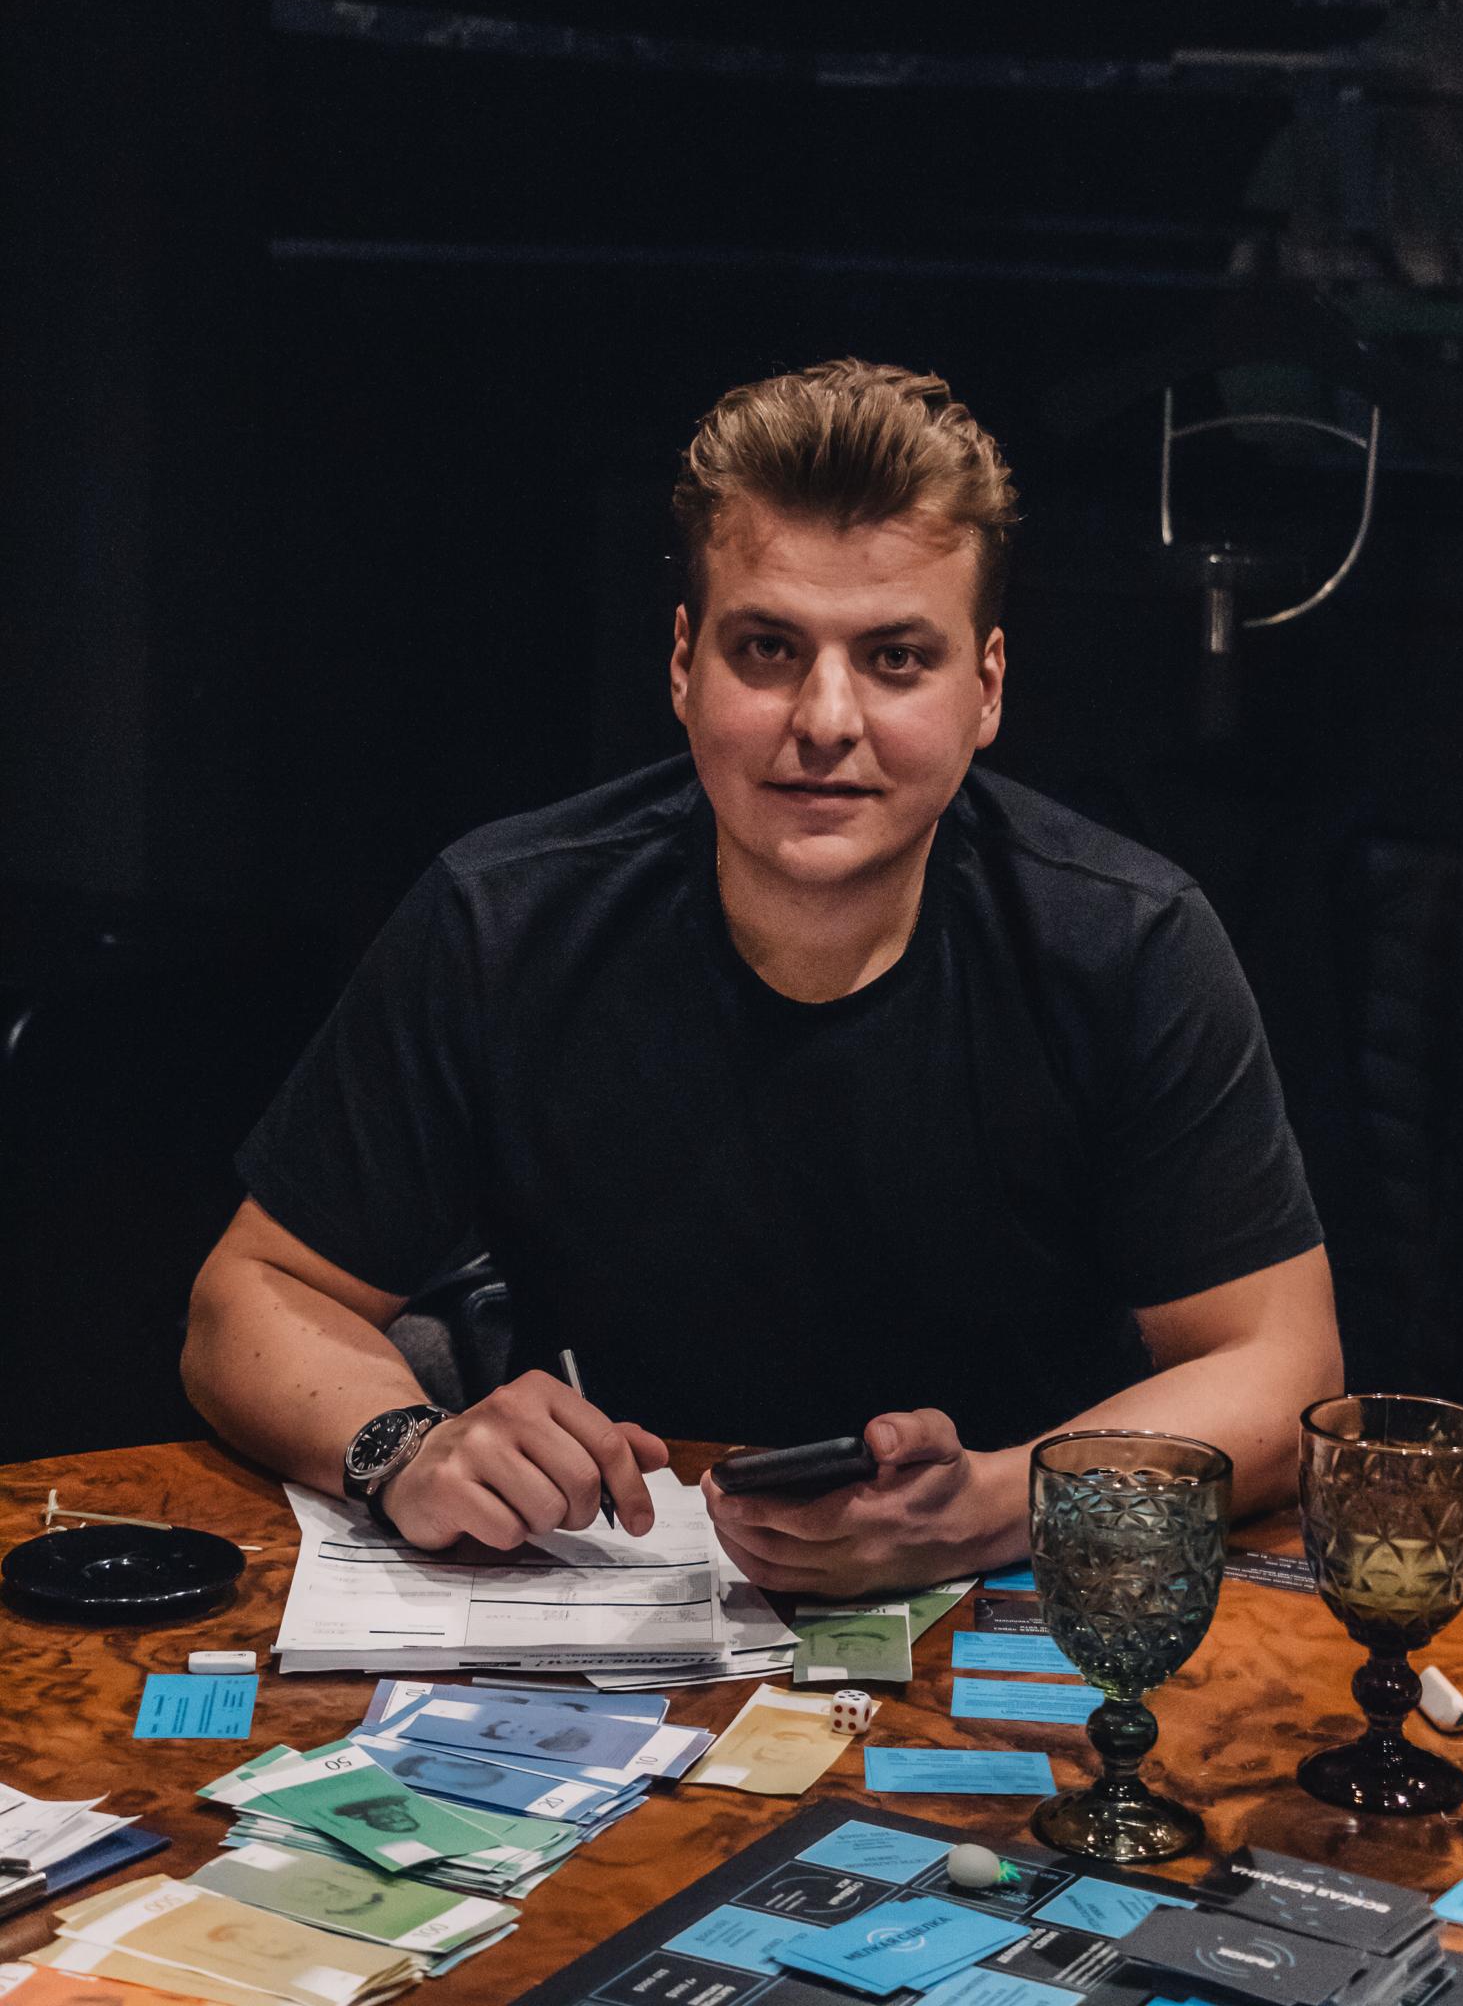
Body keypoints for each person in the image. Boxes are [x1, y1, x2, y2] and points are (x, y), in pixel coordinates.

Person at [183, 358, 1341, 1598]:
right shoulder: (501, 918)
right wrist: (406, 1448)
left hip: (1016, 1601)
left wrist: (991, 1506)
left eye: (895, 658)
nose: (825, 719)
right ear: (684, 665)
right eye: (769, 648)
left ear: (986, 689)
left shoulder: (1128, 942)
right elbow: (247, 1298)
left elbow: (1282, 1372)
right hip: (612, 1589)